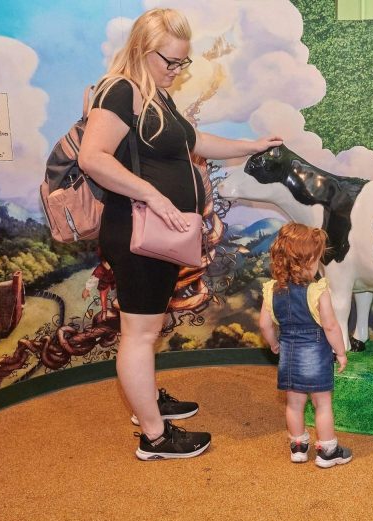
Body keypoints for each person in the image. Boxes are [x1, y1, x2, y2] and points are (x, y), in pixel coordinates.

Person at [79, 8, 282, 460]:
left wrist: (251, 146)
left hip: (159, 236)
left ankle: (146, 403)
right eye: (168, 61)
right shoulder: (119, 91)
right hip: (137, 232)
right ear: (141, 50)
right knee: (139, 334)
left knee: (146, 329)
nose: (176, 70)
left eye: (181, 62)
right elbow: (93, 158)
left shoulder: (156, 94)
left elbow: (195, 142)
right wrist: (153, 195)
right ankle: (153, 437)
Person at [258, 223, 351, 468]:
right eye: (317, 260)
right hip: (316, 355)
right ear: (307, 261)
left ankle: (298, 446)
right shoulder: (318, 291)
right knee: (322, 404)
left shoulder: (271, 291)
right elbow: (331, 326)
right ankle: (328, 450)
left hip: (288, 355)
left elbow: (265, 325)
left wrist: (274, 344)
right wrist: (340, 352)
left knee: (294, 404)